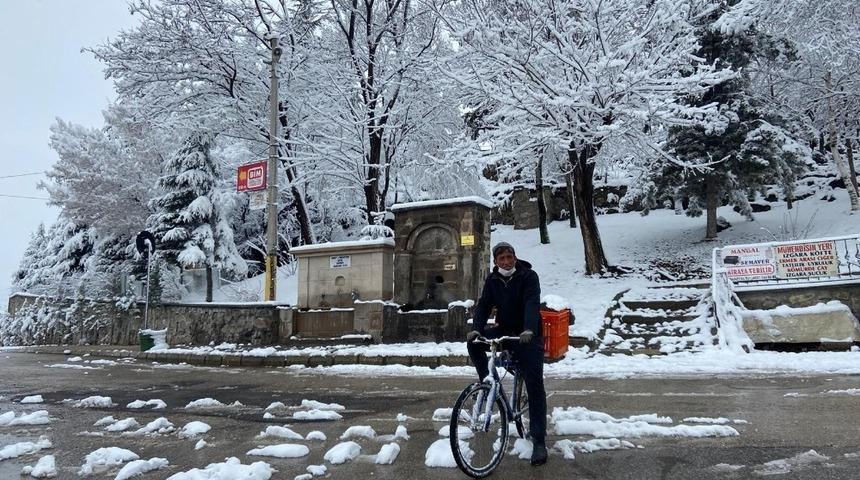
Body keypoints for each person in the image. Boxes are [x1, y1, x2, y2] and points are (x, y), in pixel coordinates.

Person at [466, 241, 548, 466]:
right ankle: (486, 382)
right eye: (501, 258)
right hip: (505, 330)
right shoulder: (493, 280)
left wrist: (530, 328)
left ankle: (539, 441)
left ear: (515, 257)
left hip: (528, 334)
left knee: (534, 384)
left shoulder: (529, 276)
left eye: (509, 257)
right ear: (496, 262)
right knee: (474, 343)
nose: (506, 261)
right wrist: (477, 328)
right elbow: (483, 305)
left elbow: (532, 302)